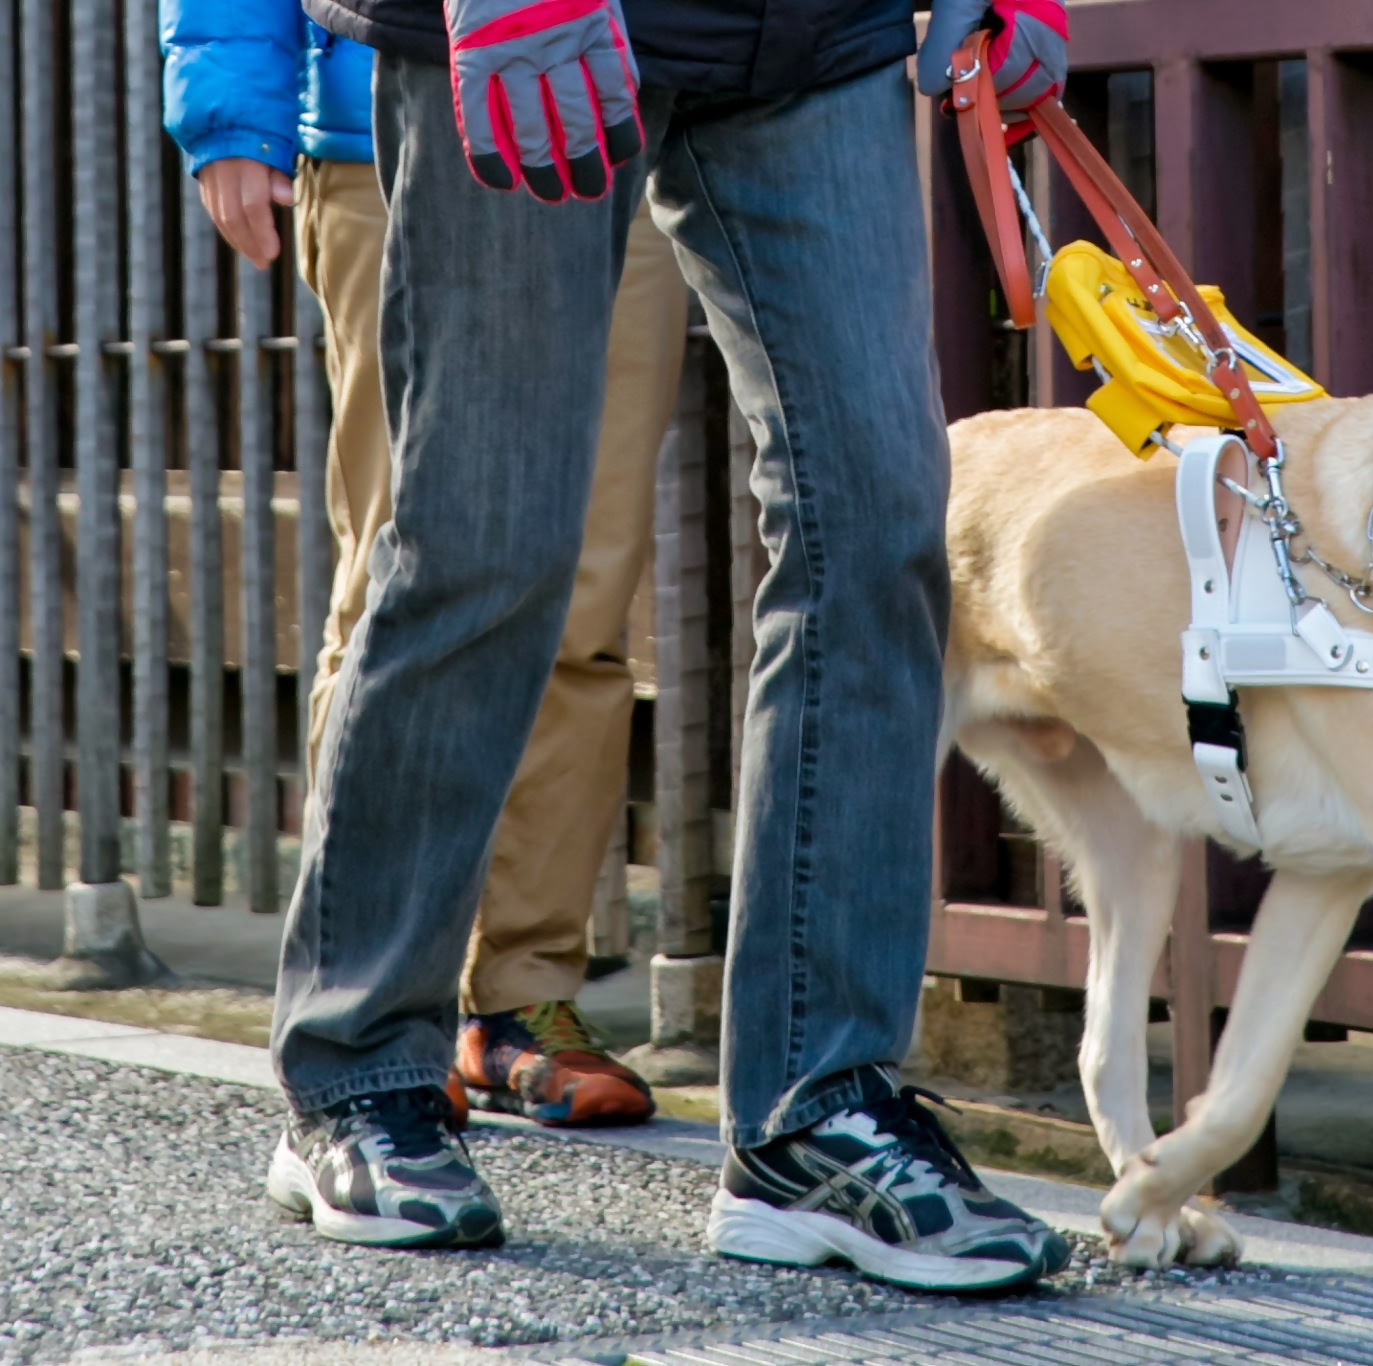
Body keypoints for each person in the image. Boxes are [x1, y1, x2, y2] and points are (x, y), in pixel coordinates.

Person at [240, 0, 1076, 1289]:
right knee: (485, 536)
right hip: (534, 22)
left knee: (877, 523)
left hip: (814, 37)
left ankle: (815, 1111)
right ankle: (358, 1066)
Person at [160, 0, 687, 1133]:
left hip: (609, 116)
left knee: (586, 585)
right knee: (406, 576)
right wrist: (229, 109)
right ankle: (380, 1009)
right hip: (375, 127)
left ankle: (523, 1001)